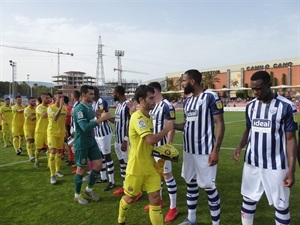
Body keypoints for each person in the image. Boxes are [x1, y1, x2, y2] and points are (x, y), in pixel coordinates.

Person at [233, 70, 298, 225]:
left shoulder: (287, 106)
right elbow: (249, 129)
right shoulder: (250, 106)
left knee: (281, 205)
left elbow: (290, 139)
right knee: (248, 199)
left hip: (276, 164)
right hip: (252, 162)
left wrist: (291, 169)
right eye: (253, 89)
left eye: (259, 88)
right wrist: (240, 146)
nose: (255, 92)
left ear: (270, 85)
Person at [174, 69, 225, 225]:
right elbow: (187, 125)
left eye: (183, 81)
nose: (181, 84)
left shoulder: (210, 97)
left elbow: (220, 124)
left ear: (192, 81)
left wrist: (216, 150)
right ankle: (192, 219)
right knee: (191, 183)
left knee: (209, 187)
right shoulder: (188, 101)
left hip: (205, 151)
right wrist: (172, 126)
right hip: (189, 151)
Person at [117, 85, 174, 225]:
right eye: (151, 98)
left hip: (150, 167)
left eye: (154, 97)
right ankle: (121, 220)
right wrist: (166, 129)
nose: (154, 100)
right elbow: (150, 140)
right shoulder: (138, 118)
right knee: (130, 197)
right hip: (136, 167)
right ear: (141, 100)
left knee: (155, 198)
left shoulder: (147, 117)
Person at [73, 85, 111, 205]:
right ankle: (77, 195)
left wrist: (97, 115)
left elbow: (90, 120)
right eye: (90, 94)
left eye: (93, 94)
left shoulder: (89, 107)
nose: (93, 96)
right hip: (82, 143)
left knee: (98, 165)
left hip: (91, 141)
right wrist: (100, 119)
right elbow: (84, 128)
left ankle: (89, 190)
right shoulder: (79, 109)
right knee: (81, 170)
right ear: (83, 95)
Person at [147, 81, 178, 223]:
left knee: (167, 176)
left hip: (162, 148)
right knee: (156, 176)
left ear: (155, 91)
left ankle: (173, 208)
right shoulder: (154, 106)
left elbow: (171, 127)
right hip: (153, 147)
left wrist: (167, 147)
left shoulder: (167, 105)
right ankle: (158, 200)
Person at [109, 85, 132, 195]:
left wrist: (126, 139)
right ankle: (125, 186)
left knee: (128, 165)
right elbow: (117, 121)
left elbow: (131, 122)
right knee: (122, 163)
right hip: (117, 139)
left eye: (113, 93)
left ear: (117, 93)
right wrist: (107, 117)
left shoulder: (128, 105)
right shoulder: (118, 106)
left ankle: (133, 189)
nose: (112, 95)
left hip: (124, 140)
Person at [93, 94, 115, 190]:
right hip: (97, 133)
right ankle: (103, 177)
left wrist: (96, 114)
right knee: (100, 155)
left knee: (107, 156)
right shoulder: (94, 103)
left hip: (104, 133)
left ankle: (112, 181)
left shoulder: (101, 101)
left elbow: (103, 115)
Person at [47, 91, 67, 184]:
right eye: (59, 97)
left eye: (62, 97)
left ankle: (57, 170)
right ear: (55, 98)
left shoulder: (64, 109)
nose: (61, 98)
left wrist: (65, 130)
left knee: (59, 152)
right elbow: (55, 118)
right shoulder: (50, 108)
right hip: (52, 133)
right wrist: (60, 107)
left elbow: (63, 120)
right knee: (53, 151)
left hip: (61, 133)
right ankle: (52, 175)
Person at [34, 93, 51, 168]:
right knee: (39, 148)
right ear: (42, 98)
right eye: (46, 98)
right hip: (39, 131)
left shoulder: (50, 107)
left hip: (48, 131)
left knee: (50, 148)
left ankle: (49, 164)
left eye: (49, 98)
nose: (48, 99)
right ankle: (36, 160)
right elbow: (44, 115)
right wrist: (51, 110)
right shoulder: (39, 107)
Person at [24, 97, 36, 162]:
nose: (34, 102)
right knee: (29, 141)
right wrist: (40, 115)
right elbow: (31, 118)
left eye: (34, 101)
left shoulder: (36, 109)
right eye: (32, 101)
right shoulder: (26, 110)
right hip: (28, 128)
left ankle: (32, 153)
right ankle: (30, 155)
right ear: (29, 102)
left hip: (35, 127)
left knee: (33, 141)